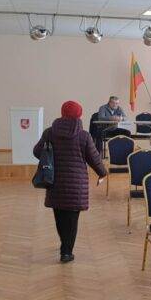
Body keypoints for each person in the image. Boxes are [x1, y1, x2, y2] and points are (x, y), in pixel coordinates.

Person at [34, 101, 107, 263]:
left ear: (62, 113)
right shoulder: (84, 136)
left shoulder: (49, 133)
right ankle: (66, 252)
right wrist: (102, 173)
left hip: (55, 182)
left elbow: (37, 151)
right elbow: (94, 158)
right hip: (76, 185)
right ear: (79, 115)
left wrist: (50, 155)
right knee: (72, 220)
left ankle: (64, 245)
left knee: (59, 216)